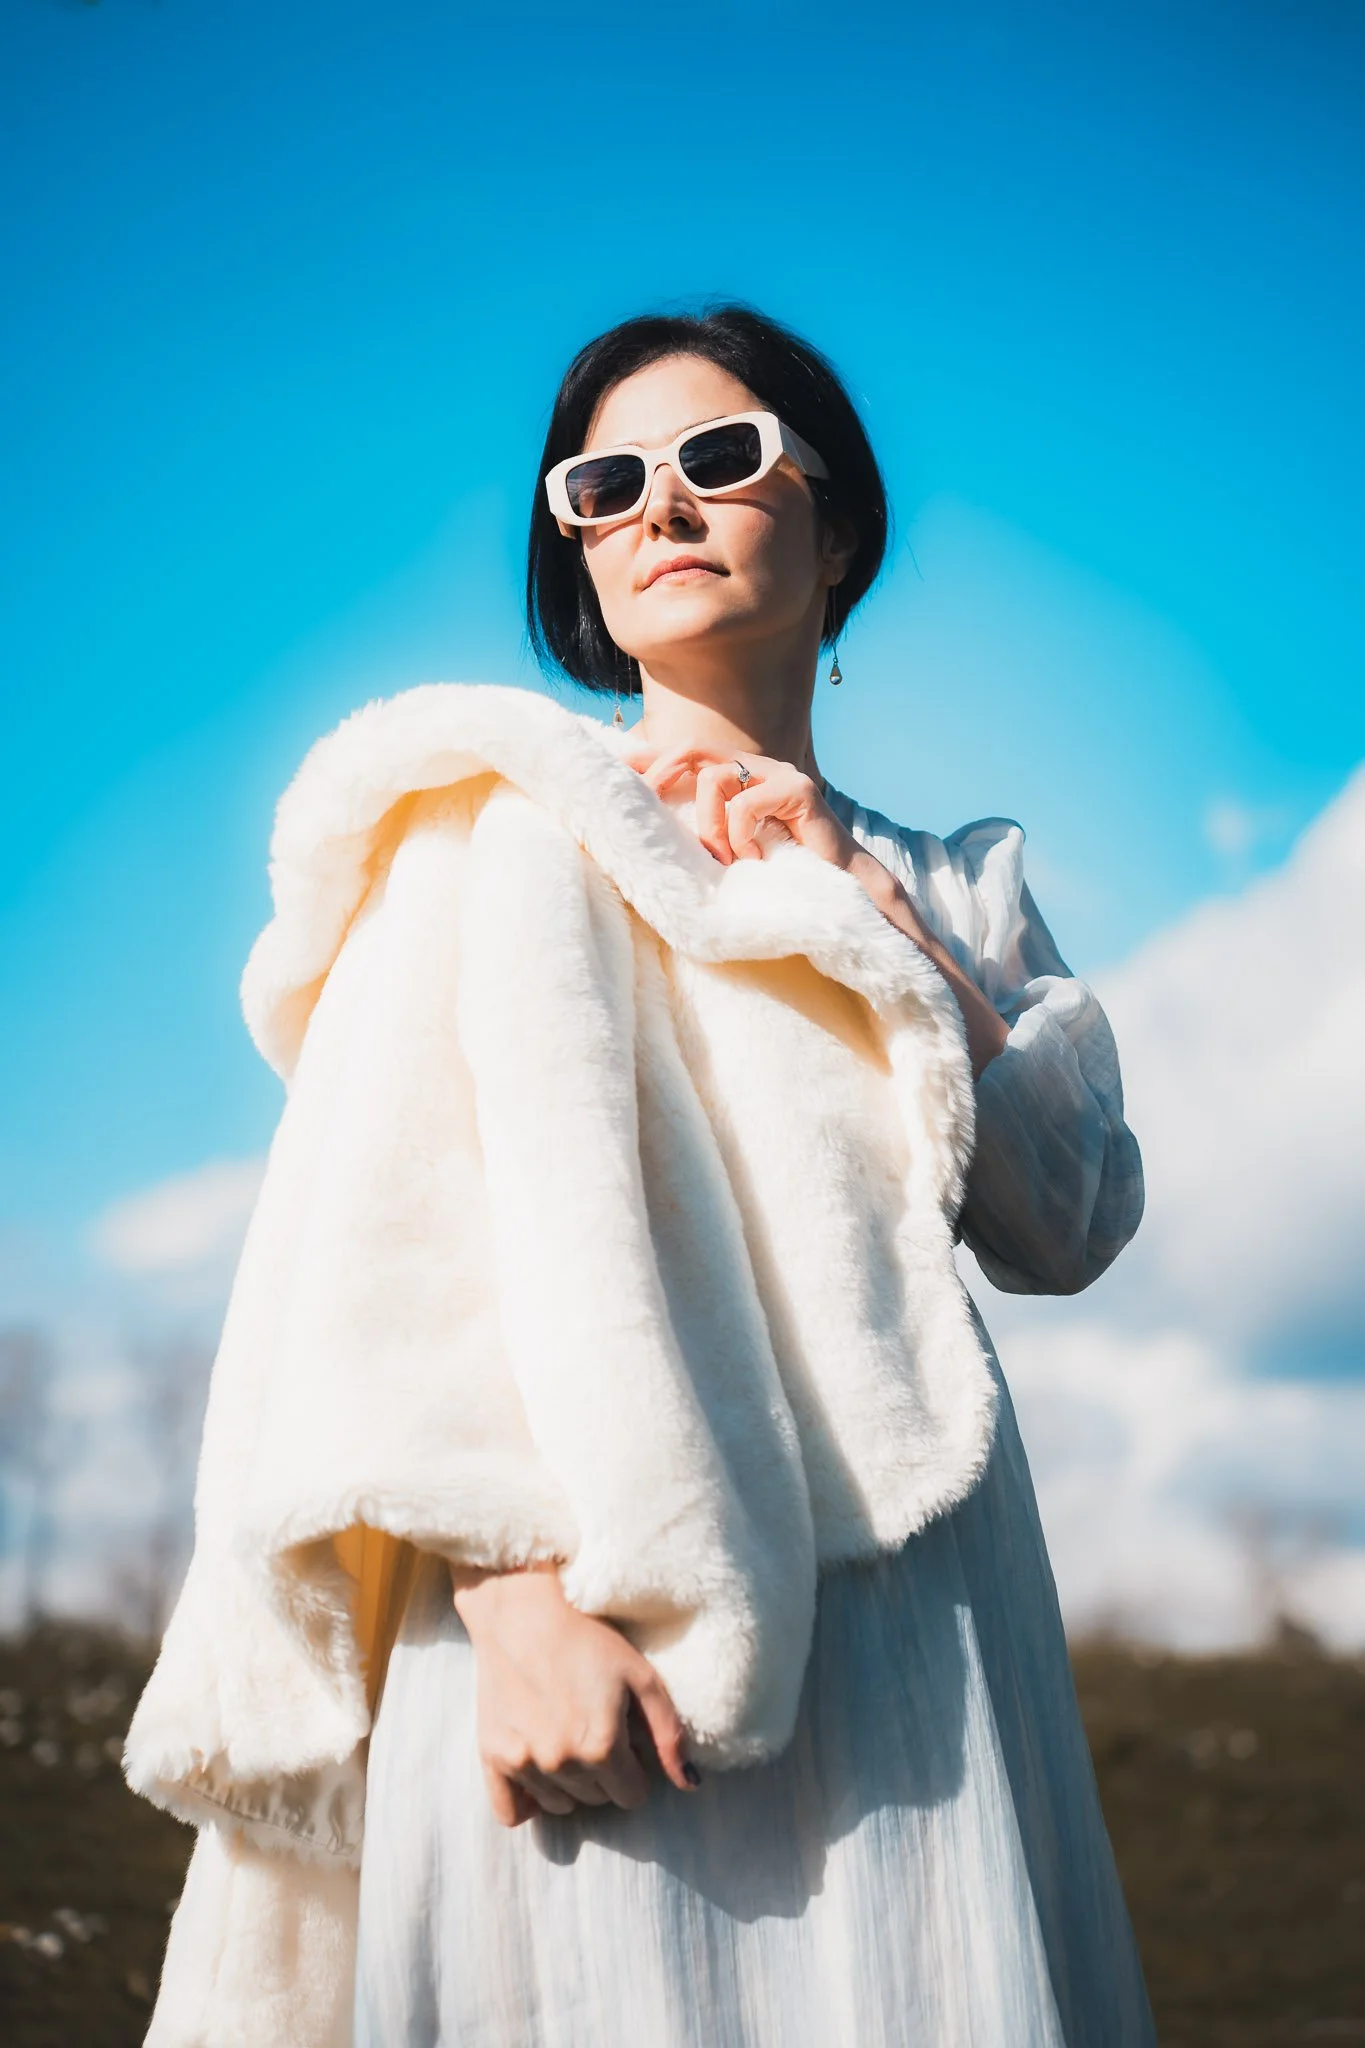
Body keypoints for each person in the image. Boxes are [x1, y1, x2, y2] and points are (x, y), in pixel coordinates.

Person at [346, 304, 1156, 2046]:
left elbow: (1068, 1218)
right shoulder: (490, 827)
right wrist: (510, 1606)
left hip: (917, 1638)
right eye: (604, 481)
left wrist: (861, 900)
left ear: (835, 519)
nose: (661, 505)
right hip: (591, 1627)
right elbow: (383, 1254)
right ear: (573, 544)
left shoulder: (958, 886)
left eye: (720, 459)